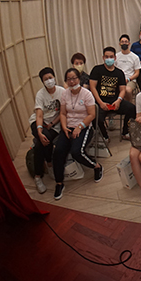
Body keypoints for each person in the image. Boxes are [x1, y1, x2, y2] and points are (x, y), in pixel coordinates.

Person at [53, 68, 102, 201]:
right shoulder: (65, 94)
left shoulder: (87, 94)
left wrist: (79, 127)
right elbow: (63, 113)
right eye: (69, 79)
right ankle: (59, 183)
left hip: (84, 127)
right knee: (58, 152)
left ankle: (96, 166)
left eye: (74, 78)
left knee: (77, 152)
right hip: (68, 127)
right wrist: (64, 127)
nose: (72, 81)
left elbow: (92, 115)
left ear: (79, 79)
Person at [29, 67, 65, 194]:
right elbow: (39, 115)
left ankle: (41, 171)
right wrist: (39, 131)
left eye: (50, 78)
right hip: (38, 122)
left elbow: (63, 112)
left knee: (42, 143)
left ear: (54, 77)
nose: (49, 81)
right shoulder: (40, 94)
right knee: (43, 139)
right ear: (43, 82)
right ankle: (43, 171)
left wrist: (52, 123)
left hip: (54, 124)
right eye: (46, 79)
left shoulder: (62, 91)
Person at [89, 47, 136, 140]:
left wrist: (118, 101)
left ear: (115, 58)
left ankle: (125, 132)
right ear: (103, 57)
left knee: (132, 108)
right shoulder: (97, 70)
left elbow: (122, 90)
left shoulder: (119, 73)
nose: (109, 59)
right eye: (106, 57)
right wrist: (101, 103)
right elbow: (92, 87)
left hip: (115, 101)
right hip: (101, 102)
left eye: (111, 57)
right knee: (95, 116)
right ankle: (104, 136)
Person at [116, 34, 141, 99]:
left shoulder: (135, 57)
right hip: (118, 80)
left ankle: (129, 104)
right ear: (119, 44)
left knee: (127, 90)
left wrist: (128, 79)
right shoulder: (116, 56)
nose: (124, 43)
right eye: (122, 42)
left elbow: (137, 73)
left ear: (129, 43)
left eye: (126, 42)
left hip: (130, 80)